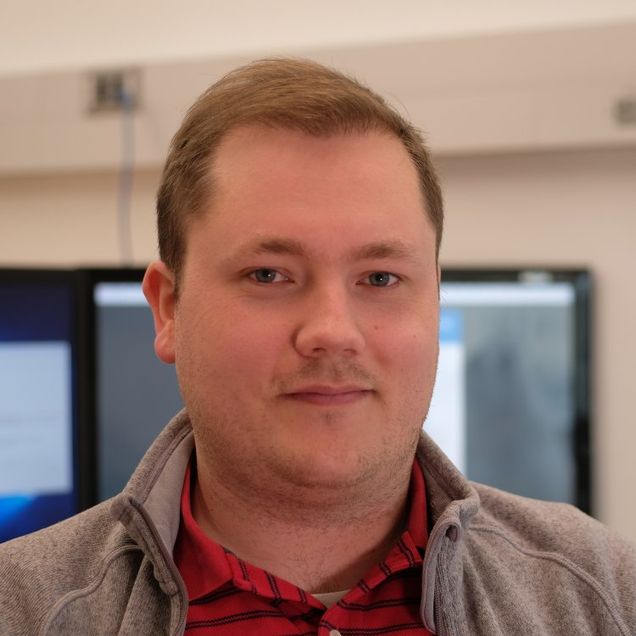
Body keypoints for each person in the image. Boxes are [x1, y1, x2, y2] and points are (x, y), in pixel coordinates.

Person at [1, 58, 634, 636]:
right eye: (268, 274)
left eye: (380, 278)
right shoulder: (23, 608)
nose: (333, 330)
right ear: (168, 308)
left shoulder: (597, 591)